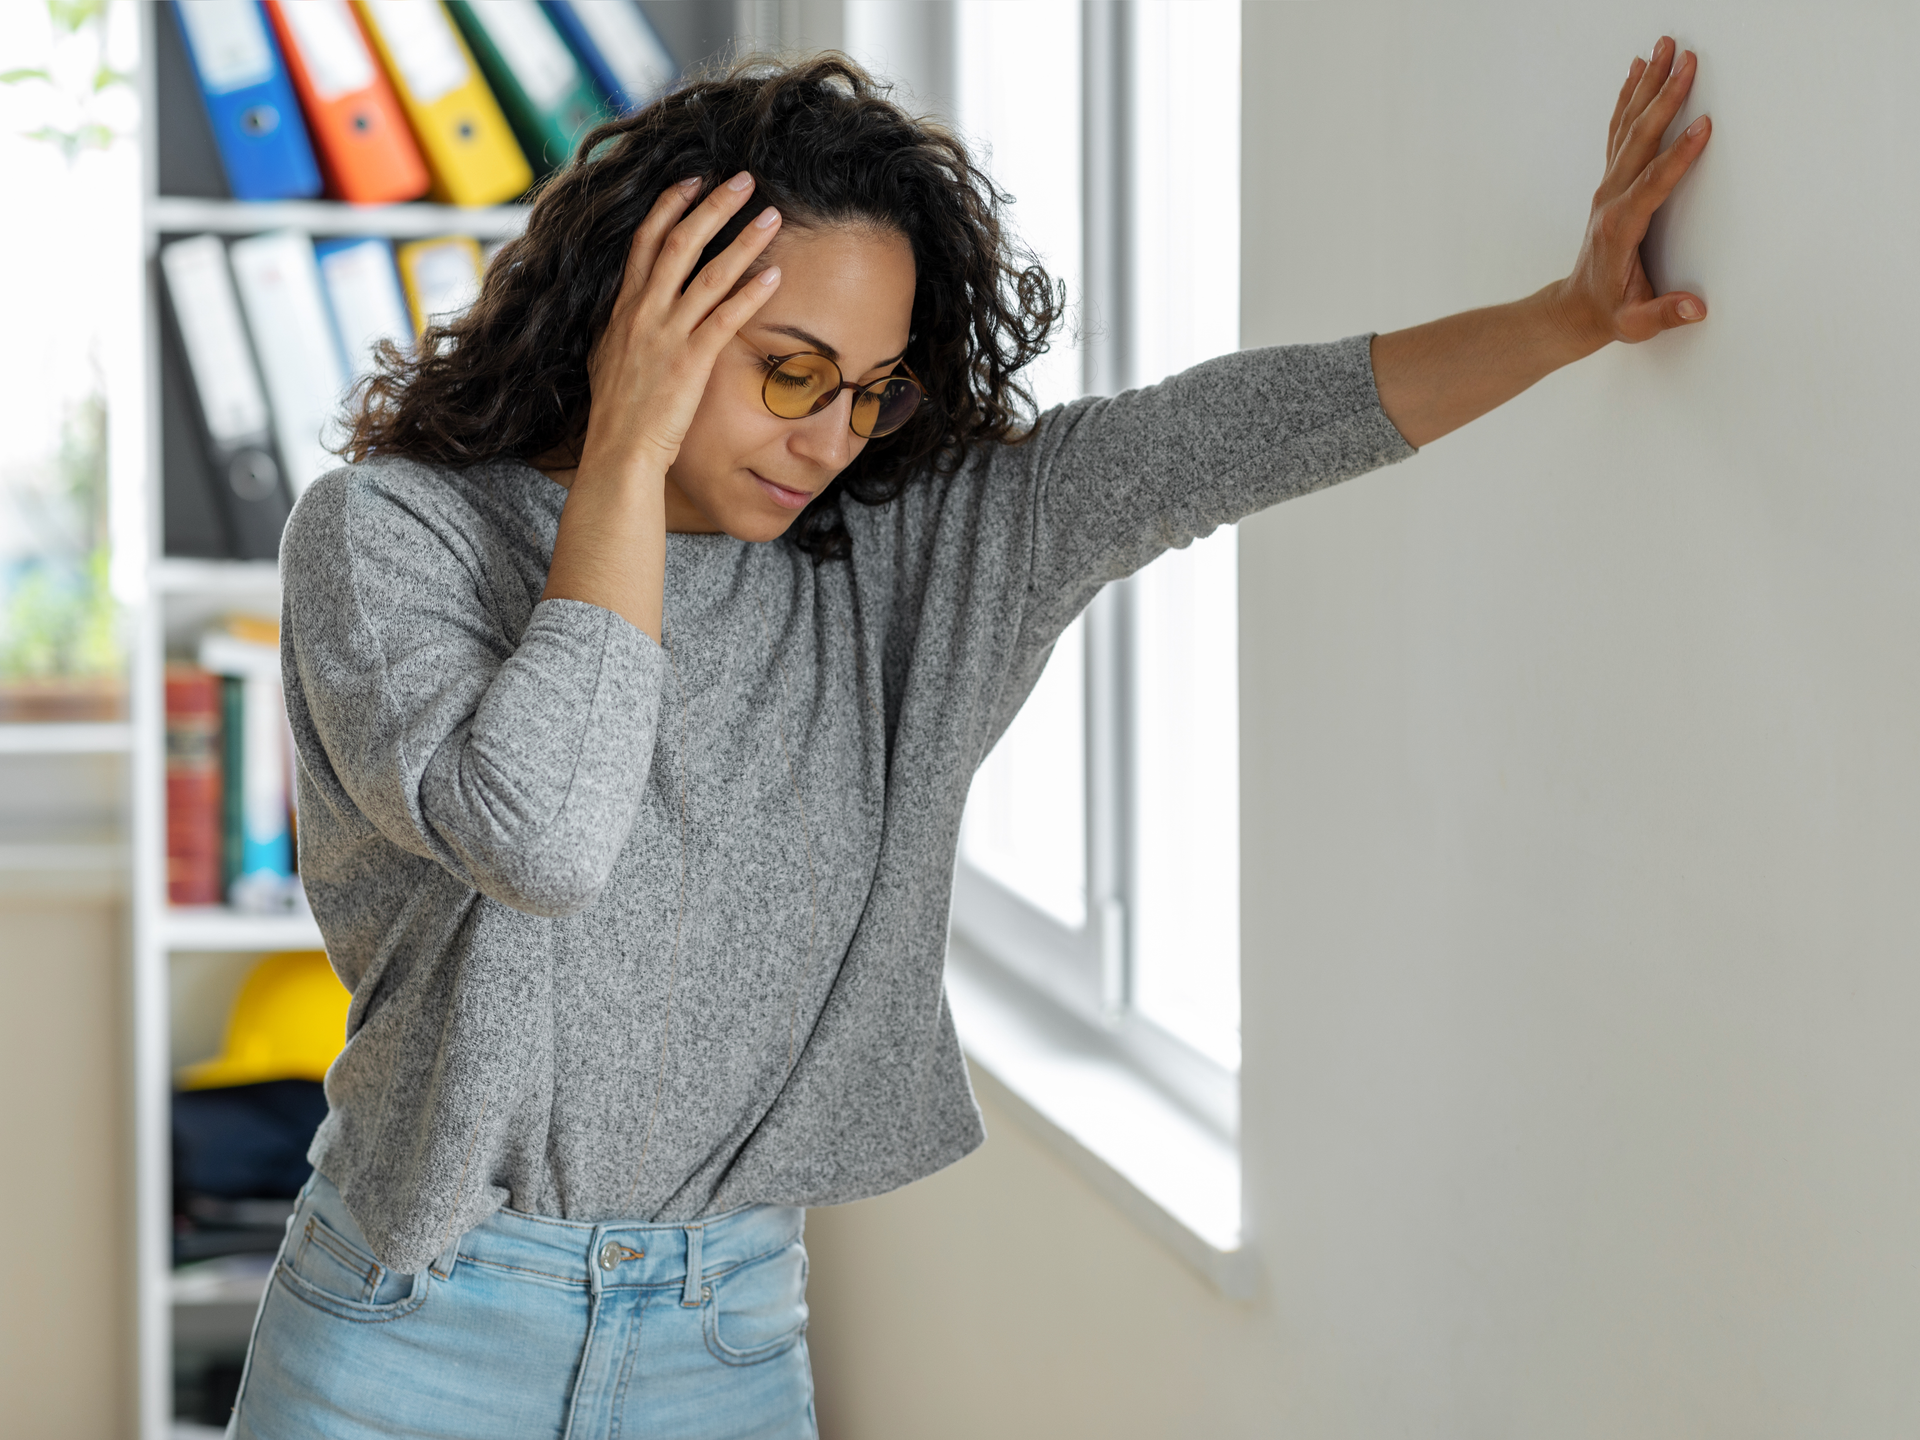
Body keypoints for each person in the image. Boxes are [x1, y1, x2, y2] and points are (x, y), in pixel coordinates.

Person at [228, 43, 1710, 1440]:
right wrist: (627, 450)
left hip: (716, 1340)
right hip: (411, 1331)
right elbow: (545, 837)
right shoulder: (389, 538)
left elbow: (1213, 437)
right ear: (639, 319)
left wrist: (1563, 317)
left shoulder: (898, 556)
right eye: (790, 370)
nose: (829, 440)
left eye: (871, 393)